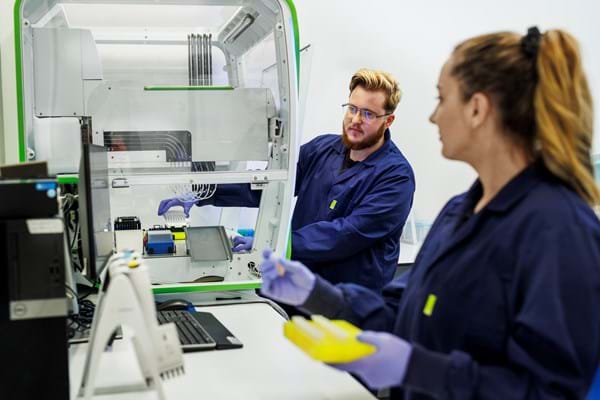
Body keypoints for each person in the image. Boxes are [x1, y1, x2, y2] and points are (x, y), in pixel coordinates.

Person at [259, 27, 600, 399]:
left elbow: (548, 392)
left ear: (477, 109)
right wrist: (319, 295)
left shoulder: (559, 230)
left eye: (441, 98)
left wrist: (415, 367)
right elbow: (405, 312)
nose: (434, 117)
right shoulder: (460, 211)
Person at [159, 69, 415, 293]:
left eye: (368, 114)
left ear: (388, 120)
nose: (356, 120)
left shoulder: (396, 177)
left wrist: (277, 245)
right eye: (352, 109)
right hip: (301, 286)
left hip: (349, 301)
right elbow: (269, 187)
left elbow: (346, 233)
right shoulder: (322, 148)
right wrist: (203, 191)